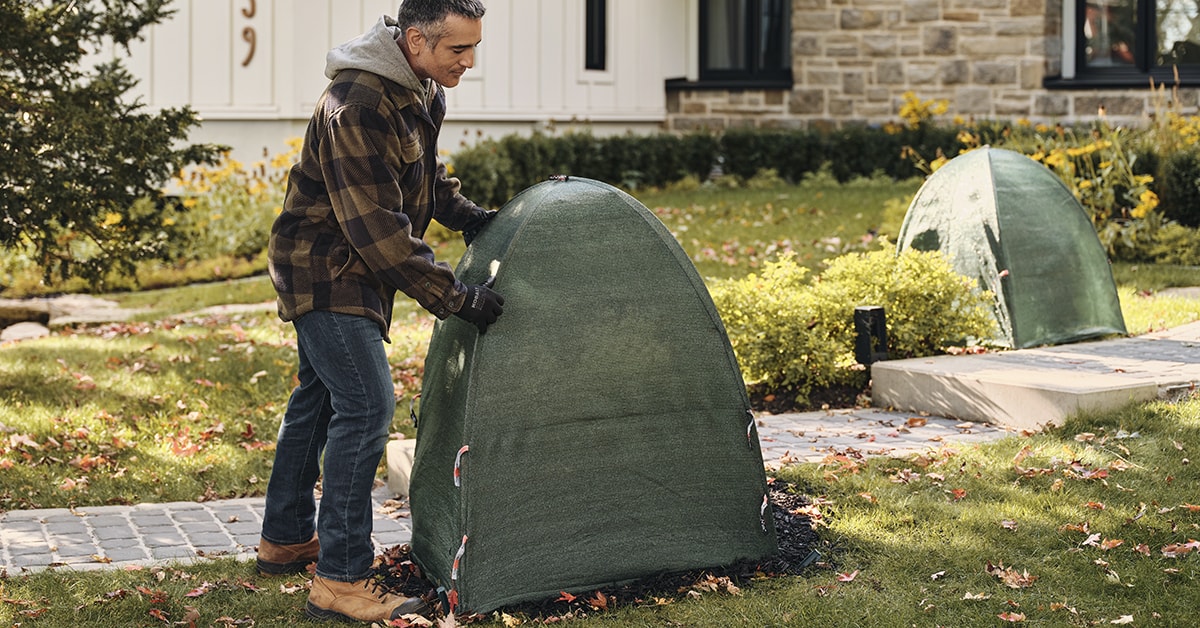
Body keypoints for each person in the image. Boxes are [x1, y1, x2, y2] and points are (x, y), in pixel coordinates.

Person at [256, 0, 503, 623]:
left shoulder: (416, 87)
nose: (469, 62)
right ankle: (339, 579)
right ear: (414, 41)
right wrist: (457, 299)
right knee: (367, 405)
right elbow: (379, 233)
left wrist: (473, 219)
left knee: (319, 398)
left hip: (347, 264)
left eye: (474, 47)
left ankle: (285, 538)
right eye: (457, 50)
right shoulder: (360, 102)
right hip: (328, 268)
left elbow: (423, 178)